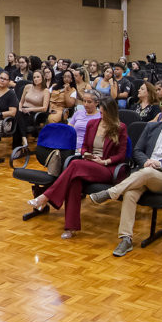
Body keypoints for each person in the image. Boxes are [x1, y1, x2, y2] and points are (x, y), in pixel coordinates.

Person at [88, 95, 162, 257]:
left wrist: (160, 164)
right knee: (130, 193)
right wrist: (145, 162)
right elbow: (137, 151)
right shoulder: (151, 128)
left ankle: (111, 193)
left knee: (149, 172)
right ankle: (126, 239)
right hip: (144, 172)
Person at [28, 96, 128, 238]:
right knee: (74, 181)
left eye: (104, 111)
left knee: (74, 164)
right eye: (101, 111)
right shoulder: (92, 124)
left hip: (107, 168)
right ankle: (71, 227)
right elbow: (84, 147)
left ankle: (45, 196)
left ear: (111, 112)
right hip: (89, 164)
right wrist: (86, 153)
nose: (101, 114)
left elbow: (121, 155)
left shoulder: (120, 128)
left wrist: (104, 162)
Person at [12, 70, 49, 151]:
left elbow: (44, 108)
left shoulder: (45, 91)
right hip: (23, 112)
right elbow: (20, 102)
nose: (35, 79)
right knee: (18, 114)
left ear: (42, 78)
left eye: (38, 77)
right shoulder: (28, 86)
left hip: (34, 114)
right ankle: (24, 140)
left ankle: (18, 148)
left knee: (17, 120)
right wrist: (20, 108)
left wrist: (29, 109)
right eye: (34, 77)